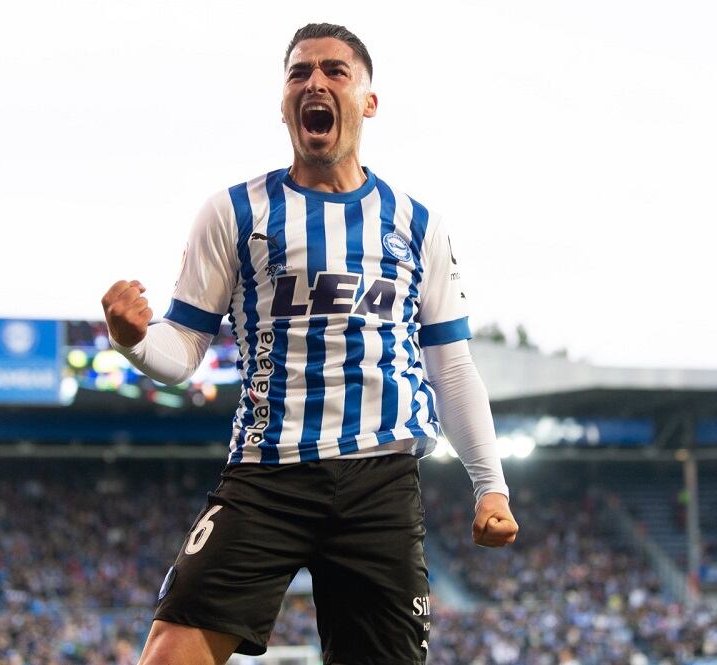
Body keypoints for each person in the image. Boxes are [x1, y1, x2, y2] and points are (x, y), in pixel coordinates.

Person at [101, 23, 518, 665]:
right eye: (299, 73)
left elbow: (451, 368)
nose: (315, 83)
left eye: (335, 71)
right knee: (168, 654)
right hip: (268, 474)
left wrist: (490, 486)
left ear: (367, 102)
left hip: (381, 480)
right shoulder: (234, 212)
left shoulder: (417, 225)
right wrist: (134, 342)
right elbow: (182, 351)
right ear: (284, 102)